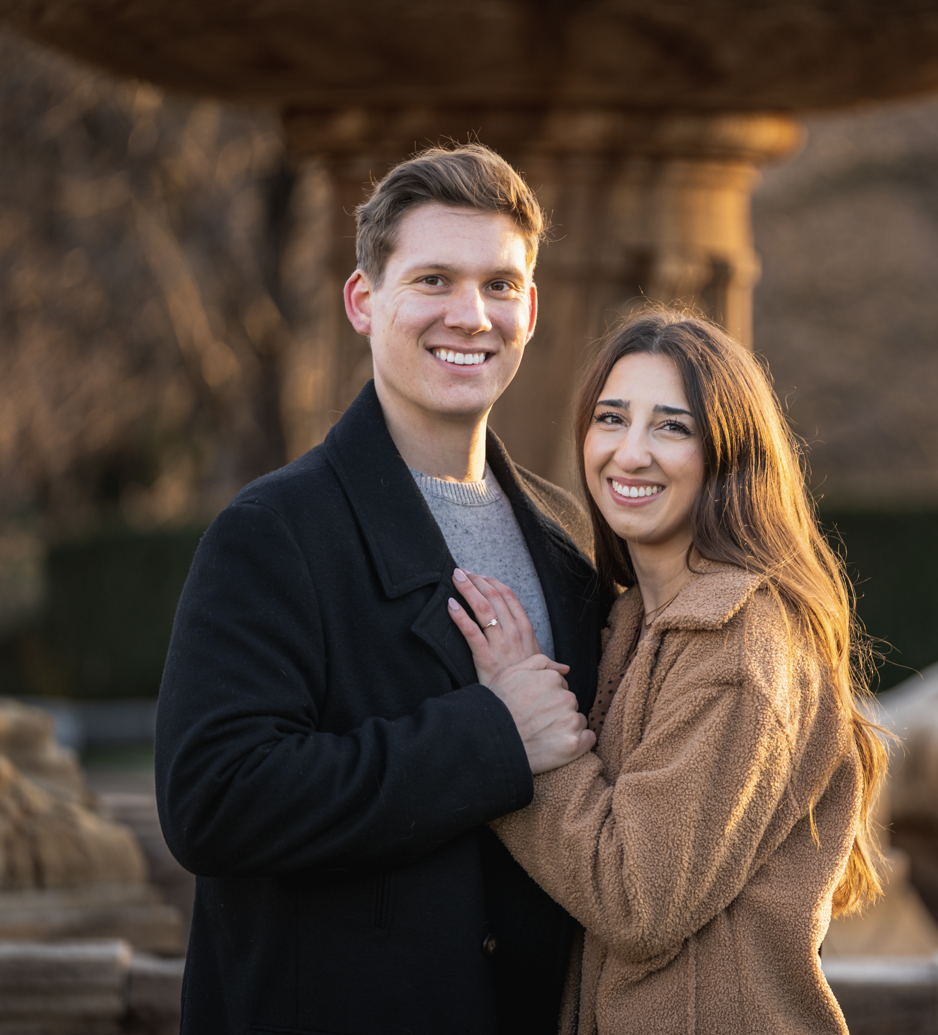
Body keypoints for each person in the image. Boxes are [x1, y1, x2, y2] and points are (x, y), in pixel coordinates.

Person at [155, 144, 606, 1034]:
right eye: (434, 279)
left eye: (501, 285)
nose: (471, 315)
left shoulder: (570, 545)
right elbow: (214, 799)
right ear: (366, 302)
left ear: (532, 308)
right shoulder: (273, 533)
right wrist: (492, 735)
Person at [445, 311, 888, 1034]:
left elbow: (637, 900)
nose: (630, 451)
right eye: (612, 418)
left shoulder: (739, 642)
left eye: (672, 427)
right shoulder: (630, 621)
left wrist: (516, 738)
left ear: (726, 454)